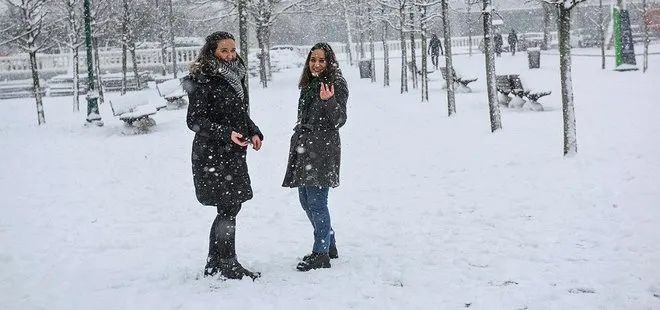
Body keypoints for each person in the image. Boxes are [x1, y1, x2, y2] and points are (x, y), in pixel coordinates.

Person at [183, 31, 264, 280]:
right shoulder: (203, 79)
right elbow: (194, 121)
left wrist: (254, 131)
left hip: (232, 151)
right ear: (212, 52)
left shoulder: (235, 76)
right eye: (224, 51)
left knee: (229, 207)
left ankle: (216, 261)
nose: (230, 55)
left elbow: (238, 112)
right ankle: (226, 263)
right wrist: (226, 133)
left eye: (232, 50)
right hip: (212, 154)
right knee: (228, 207)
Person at [282, 42, 348, 272]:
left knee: (317, 202)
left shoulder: (336, 83)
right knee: (305, 200)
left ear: (330, 61)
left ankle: (321, 253)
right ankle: (329, 244)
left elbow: (339, 119)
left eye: (322, 60)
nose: (316, 64)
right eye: (313, 59)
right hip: (305, 146)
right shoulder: (309, 83)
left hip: (323, 148)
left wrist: (329, 101)